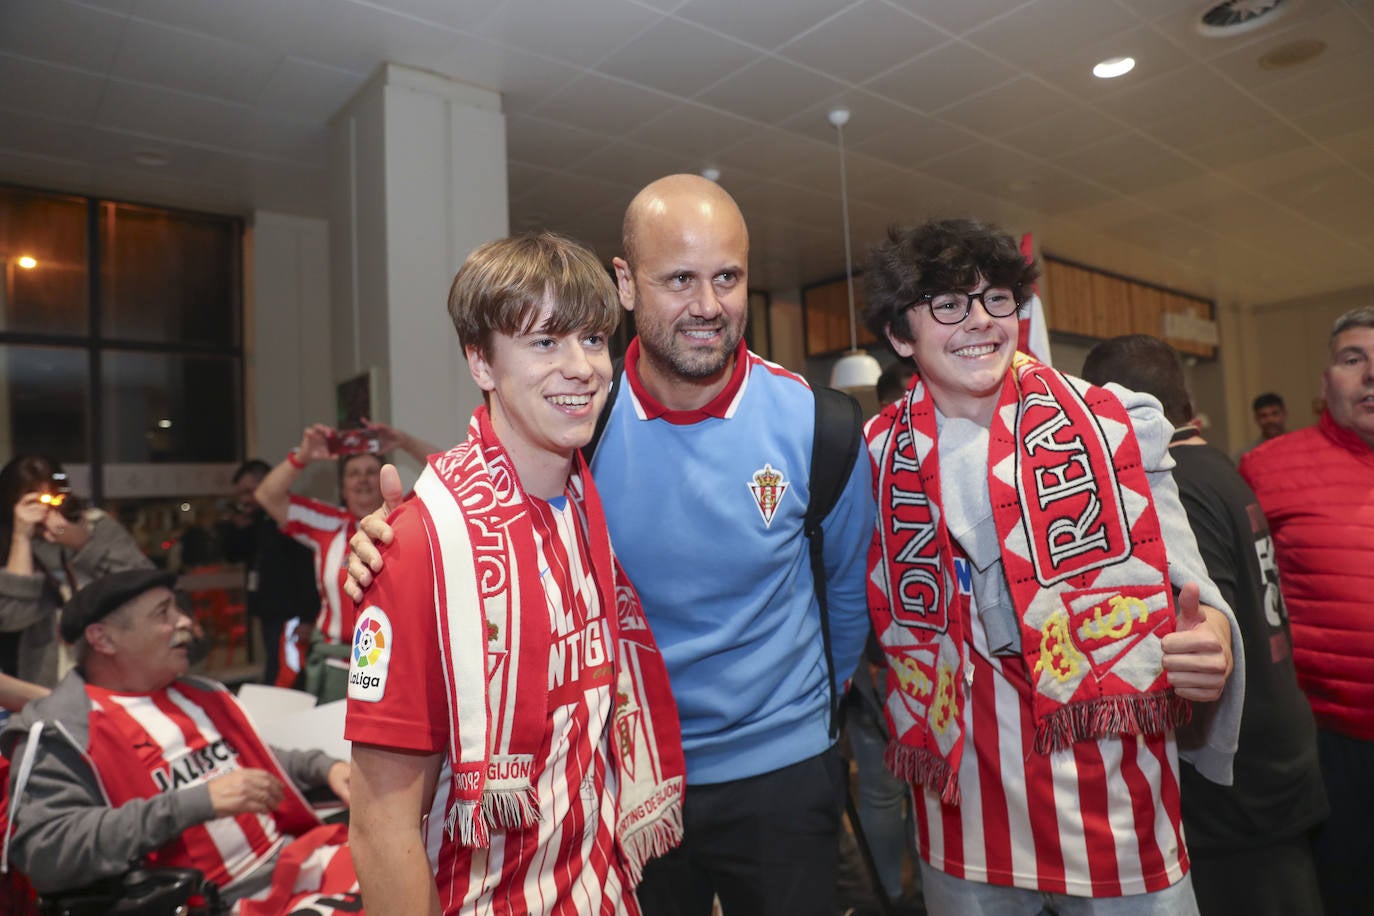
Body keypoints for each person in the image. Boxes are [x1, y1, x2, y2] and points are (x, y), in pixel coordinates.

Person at [346, 175, 875, 916]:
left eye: (727, 278)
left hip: (774, 776)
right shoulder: (573, 447)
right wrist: (398, 541)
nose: (707, 304)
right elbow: (382, 819)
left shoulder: (818, 429)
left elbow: (849, 593)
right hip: (621, 784)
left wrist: (814, 712)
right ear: (626, 283)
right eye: (679, 279)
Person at [861, 218, 1241, 914]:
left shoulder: (1112, 423)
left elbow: (1197, 592)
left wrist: (1211, 639)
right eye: (948, 303)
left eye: (996, 298)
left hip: (1111, 795)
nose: (979, 321)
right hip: (964, 805)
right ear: (899, 335)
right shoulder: (873, 460)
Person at [343, 232, 683, 915]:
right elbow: (381, 828)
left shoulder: (587, 511)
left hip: (604, 891)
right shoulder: (417, 546)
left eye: (592, 339)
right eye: (544, 342)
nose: (582, 366)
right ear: (481, 362)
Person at [1083, 334, 1327, 916]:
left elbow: (1199, 622)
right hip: (1278, 742)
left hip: (1239, 769)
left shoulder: (1178, 486)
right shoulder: (1216, 463)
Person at [0, 568, 357, 910]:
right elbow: (48, 852)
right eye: (163, 613)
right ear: (103, 639)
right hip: (215, 901)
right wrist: (197, 803)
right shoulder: (61, 731)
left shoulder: (198, 693)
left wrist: (326, 768)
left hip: (298, 863)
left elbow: (254, 757)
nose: (185, 621)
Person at [1239, 306, 1374, 916]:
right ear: (1325, 382)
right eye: (1354, 359)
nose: (1371, 374)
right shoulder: (1265, 469)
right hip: (1328, 744)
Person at [254, 422, 435, 702]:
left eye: (371, 472)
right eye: (353, 473)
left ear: (386, 481)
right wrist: (302, 456)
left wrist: (403, 441)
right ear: (342, 487)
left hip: (395, 661)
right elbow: (267, 496)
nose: (362, 480)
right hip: (336, 665)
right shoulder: (327, 523)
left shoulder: (407, 517)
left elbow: (450, 478)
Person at [0, 455, 151, 686]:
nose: (45, 508)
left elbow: (145, 583)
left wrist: (83, 545)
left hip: (112, 664)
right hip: (41, 679)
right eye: (34, 501)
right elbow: (13, 618)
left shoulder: (95, 526)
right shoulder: (8, 544)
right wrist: (22, 538)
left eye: (52, 497)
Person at [218, 459, 320, 687]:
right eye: (241, 494)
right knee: (276, 667)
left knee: (288, 674)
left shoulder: (291, 517)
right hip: (269, 613)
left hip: (292, 614)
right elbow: (232, 555)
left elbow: (307, 569)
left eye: (249, 492)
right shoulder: (258, 521)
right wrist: (238, 526)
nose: (244, 500)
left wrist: (306, 616)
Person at [1238, 393, 1287, 458]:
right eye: (1263, 416)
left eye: (1275, 414)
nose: (1270, 420)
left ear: (1284, 415)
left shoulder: (1299, 446)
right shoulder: (1248, 455)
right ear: (1256, 419)